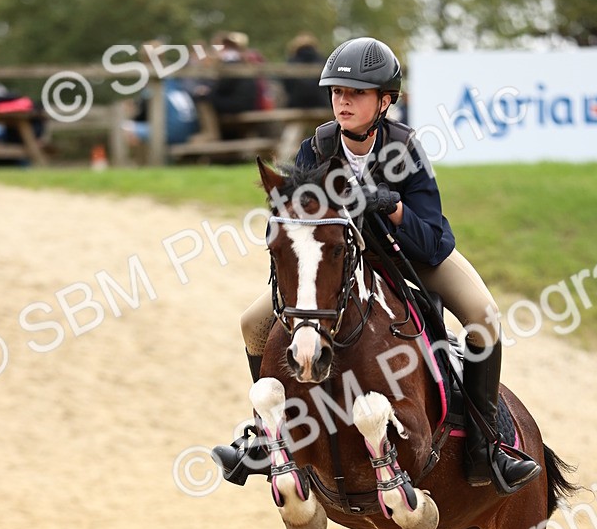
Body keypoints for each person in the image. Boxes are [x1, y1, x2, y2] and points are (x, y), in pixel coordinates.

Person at [212, 36, 541, 498]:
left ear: (385, 101)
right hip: (339, 266)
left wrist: (392, 207)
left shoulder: (405, 149)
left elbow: (433, 240)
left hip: (410, 257)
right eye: (337, 92)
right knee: (252, 323)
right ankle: (266, 437)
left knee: (483, 315)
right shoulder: (317, 147)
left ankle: (486, 445)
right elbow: (296, 222)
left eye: (356, 93)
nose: (343, 102)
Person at [282, 33, 325, 109]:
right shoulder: (321, 60)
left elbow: (286, 84)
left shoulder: (291, 61)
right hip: (318, 101)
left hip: (296, 102)